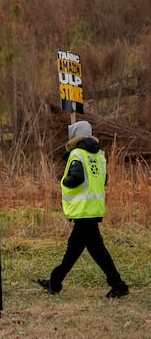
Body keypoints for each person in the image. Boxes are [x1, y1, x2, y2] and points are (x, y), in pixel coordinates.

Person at [37, 120, 129, 298]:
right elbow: (104, 180)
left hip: (83, 209)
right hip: (93, 208)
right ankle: (55, 282)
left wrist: (64, 181)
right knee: (76, 249)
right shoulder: (98, 156)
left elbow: (76, 177)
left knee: (95, 250)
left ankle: (119, 285)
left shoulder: (77, 154)